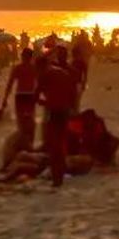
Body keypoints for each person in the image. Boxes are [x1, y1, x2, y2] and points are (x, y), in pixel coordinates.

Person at [38, 46, 78, 187]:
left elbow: (37, 95)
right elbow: (73, 91)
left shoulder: (45, 74)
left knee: (53, 145)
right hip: (64, 109)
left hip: (54, 111)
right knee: (60, 144)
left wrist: (44, 102)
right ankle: (59, 176)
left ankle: (56, 178)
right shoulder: (63, 72)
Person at [1, 48, 38, 137]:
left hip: (21, 95)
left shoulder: (18, 68)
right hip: (29, 95)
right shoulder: (34, 68)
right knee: (29, 119)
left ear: (22, 56)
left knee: (21, 121)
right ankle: (29, 140)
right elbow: (41, 83)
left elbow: (10, 84)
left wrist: (5, 99)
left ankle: (23, 139)